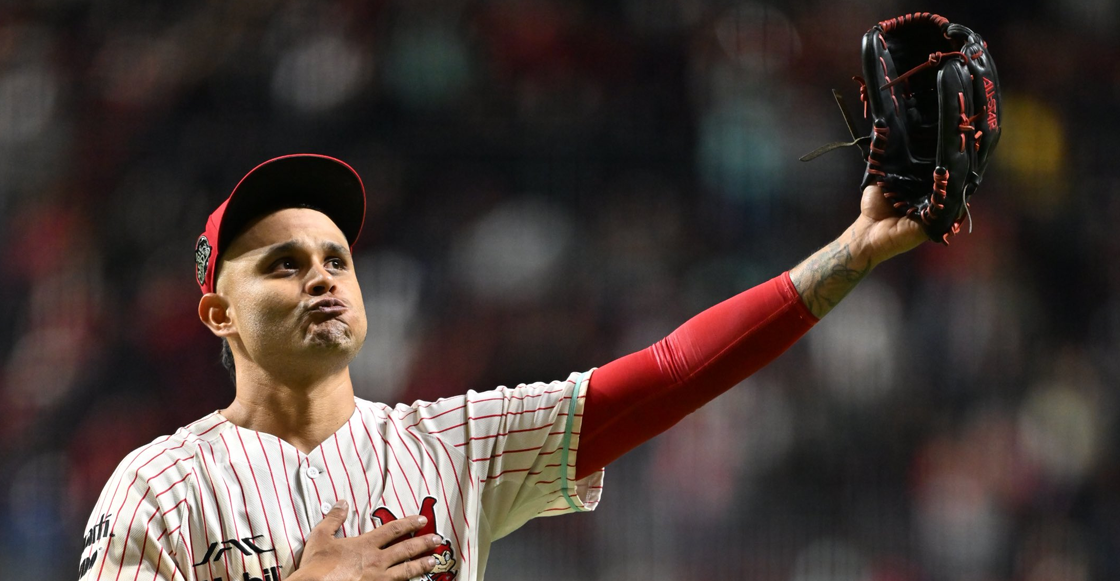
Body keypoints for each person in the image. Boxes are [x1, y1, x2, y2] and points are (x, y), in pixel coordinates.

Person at [77, 153, 925, 581]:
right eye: (282, 264)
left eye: (337, 258)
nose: (323, 277)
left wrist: (853, 251)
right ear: (220, 313)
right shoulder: (161, 486)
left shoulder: (451, 445)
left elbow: (672, 371)